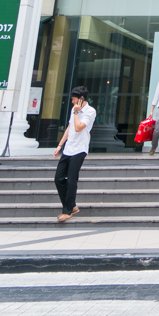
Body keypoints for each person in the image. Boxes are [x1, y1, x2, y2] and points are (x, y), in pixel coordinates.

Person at [52, 86, 95, 223]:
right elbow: (70, 127)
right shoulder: (74, 109)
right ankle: (72, 205)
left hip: (80, 149)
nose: (72, 102)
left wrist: (77, 113)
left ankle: (67, 211)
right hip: (68, 148)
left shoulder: (90, 111)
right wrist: (60, 145)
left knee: (71, 180)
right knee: (58, 178)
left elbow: (78, 128)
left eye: (74, 100)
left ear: (81, 99)